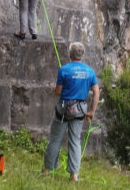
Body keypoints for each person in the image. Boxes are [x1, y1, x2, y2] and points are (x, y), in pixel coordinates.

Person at [43, 42, 100, 181]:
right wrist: (92, 111)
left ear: (70, 54)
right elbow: (96, 91)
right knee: (75, 141)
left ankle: (46, 171)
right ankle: (74, 175)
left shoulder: (64, 70)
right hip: (80, 110)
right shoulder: (89, 71)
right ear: (82, 55)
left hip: (63, 110)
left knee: (55, 139)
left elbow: (58, 92)